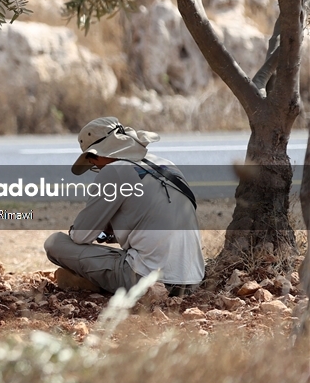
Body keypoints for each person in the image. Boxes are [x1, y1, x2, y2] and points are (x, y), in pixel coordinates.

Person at [44, 117, 205, 295]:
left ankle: (96, 285)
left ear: (98, 154)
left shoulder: (113, 171)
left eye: (91, 160)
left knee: (55, 243)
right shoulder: (166, 164)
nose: (93, 166)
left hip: (149, 279)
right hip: (193, 278)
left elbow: (81, 236)